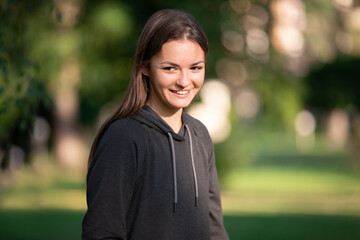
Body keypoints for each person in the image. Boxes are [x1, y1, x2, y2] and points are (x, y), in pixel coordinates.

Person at [82, 9, 229, 240]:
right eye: (170, 68)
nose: (184, 81)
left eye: (195, 68)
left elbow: (214, 230)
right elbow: (102, 232)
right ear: (144, 66)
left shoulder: (199, 135)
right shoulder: (123, 138)